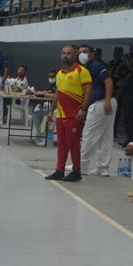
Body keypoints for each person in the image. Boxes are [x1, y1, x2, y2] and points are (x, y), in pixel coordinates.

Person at [65, 45, 115, 176]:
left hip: (102, 103)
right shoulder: (85, 68)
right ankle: (102, 167)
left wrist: (108, 101)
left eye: (85, 52)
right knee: (106, 136)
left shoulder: (96, 65)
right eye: (80, 52)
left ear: (91, 54)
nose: (81, 54)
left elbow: (109, 82)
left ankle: (81, 165)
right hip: (104, 102)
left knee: (88, 134)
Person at [44, 46, 93, 182]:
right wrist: (51, 111)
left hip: (74, 115)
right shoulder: (59, 73)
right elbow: (57, 94)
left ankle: (76, 171)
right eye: (63, 53)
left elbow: (89, 90)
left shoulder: (81, 71)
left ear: (75, 55)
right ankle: (59, 170)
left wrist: (83, 109)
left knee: (73, 144)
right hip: (60, 115)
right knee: (62, 145)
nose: (66, 56)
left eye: (69, 54)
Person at [28, 70, 56, 146]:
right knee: (35, 114)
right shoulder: (52, 85)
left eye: (53, 77)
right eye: (50, 77)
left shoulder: (58, 85)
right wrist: (36, 93)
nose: (51, 78)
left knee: (45, 116)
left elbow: (54, 95)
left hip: (57, 109)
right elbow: (46, 91)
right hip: (50, 108)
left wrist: (43, 94)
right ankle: (40, 135)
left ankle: (46, 139)